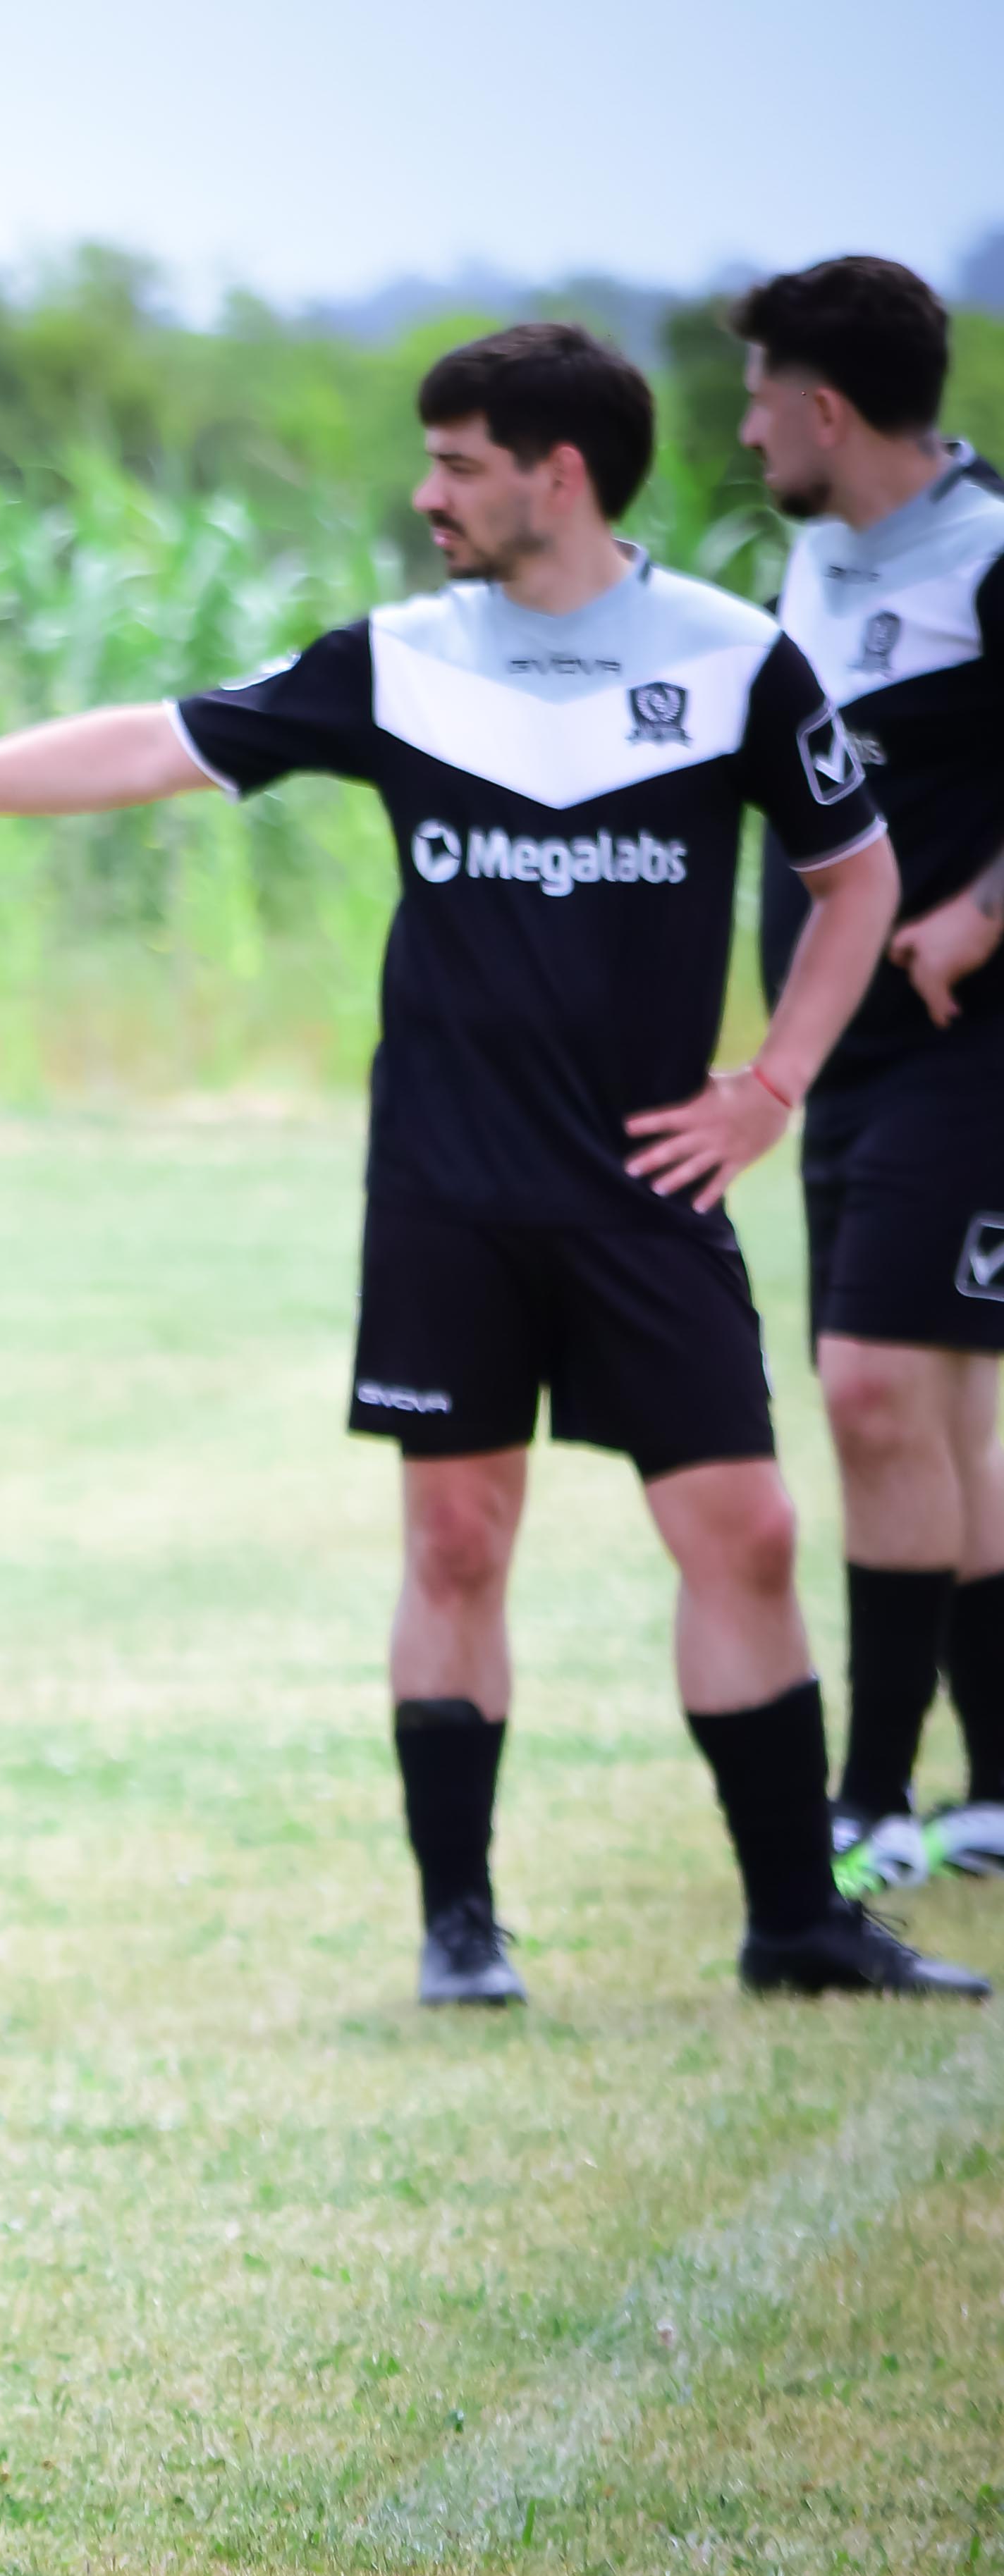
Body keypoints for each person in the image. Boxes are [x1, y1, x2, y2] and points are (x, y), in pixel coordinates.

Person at [0, 322, 985, 2006]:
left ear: (561, 474)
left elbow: (859, 877)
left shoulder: (733, 659)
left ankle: (797, 1923)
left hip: (651, 1188)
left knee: (750, 1530)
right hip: (447, 1192)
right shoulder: (401, 661)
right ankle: (460, 1926)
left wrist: (773, 1083)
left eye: (460, 465)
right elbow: (157, 739)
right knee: (459, 1539)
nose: (429, 495)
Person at [729, 257, 1004, 1891]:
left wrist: (982, 911)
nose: (747, 431)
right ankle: (990, 1791)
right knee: (944, 1410)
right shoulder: (809, 566)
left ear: (825, 406)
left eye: (760, 401)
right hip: (845, 1062)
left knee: (875, 1390)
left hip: (974, 1059)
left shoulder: (995, 553)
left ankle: (874, 1798)